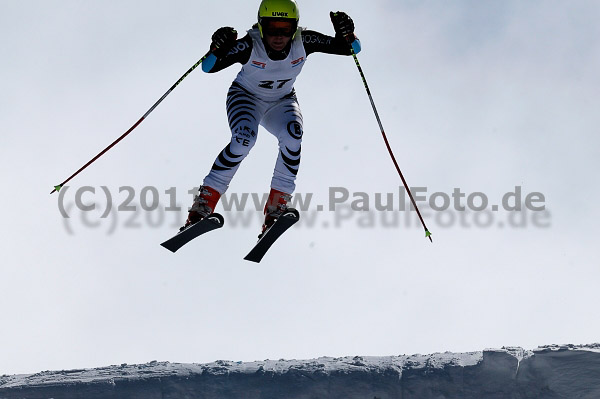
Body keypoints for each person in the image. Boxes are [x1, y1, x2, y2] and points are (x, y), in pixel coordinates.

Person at [183, 0, 361, 236]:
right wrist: (218, 48)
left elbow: (350, 48)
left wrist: (347, 33)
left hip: (282, 101)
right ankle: (202, 207)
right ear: (261, 26)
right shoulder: (249, 45)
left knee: (293, 136)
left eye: (285, 29)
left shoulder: (304, 41)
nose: (278, 36)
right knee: (244, 140)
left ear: (295, 27)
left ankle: (276, 209)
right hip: (246, 97)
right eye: (271, 29)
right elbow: (208, 67)